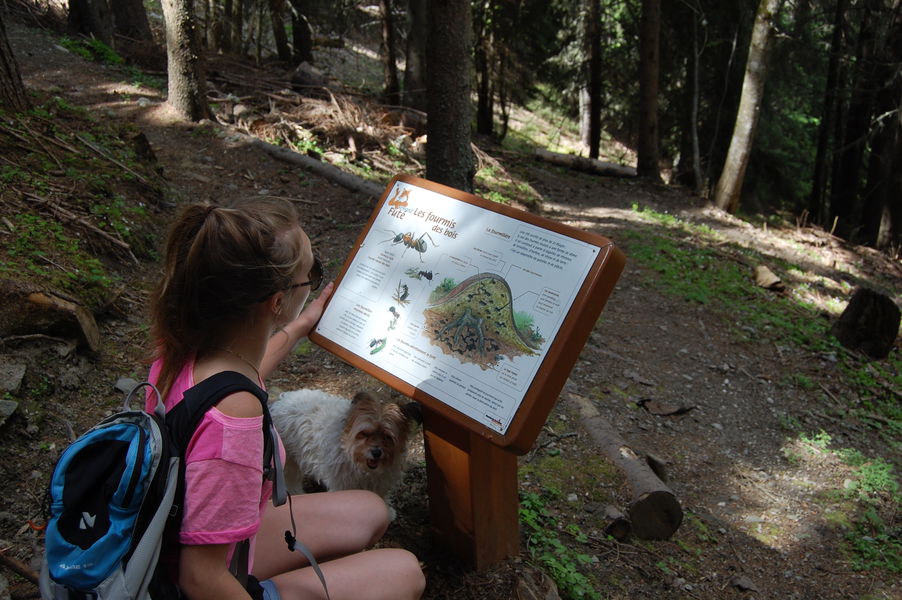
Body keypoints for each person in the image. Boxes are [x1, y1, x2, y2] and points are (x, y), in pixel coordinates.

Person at [145, 199, 425, 600]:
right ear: (277, 301)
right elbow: (200, 578)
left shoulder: (183, 349)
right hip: (198, 579)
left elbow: (243, 370)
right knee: (405, 571)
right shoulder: (236, 416)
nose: (314, 282)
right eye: (312, 273)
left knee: (370, 509)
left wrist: (300, 325)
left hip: (178, 538)